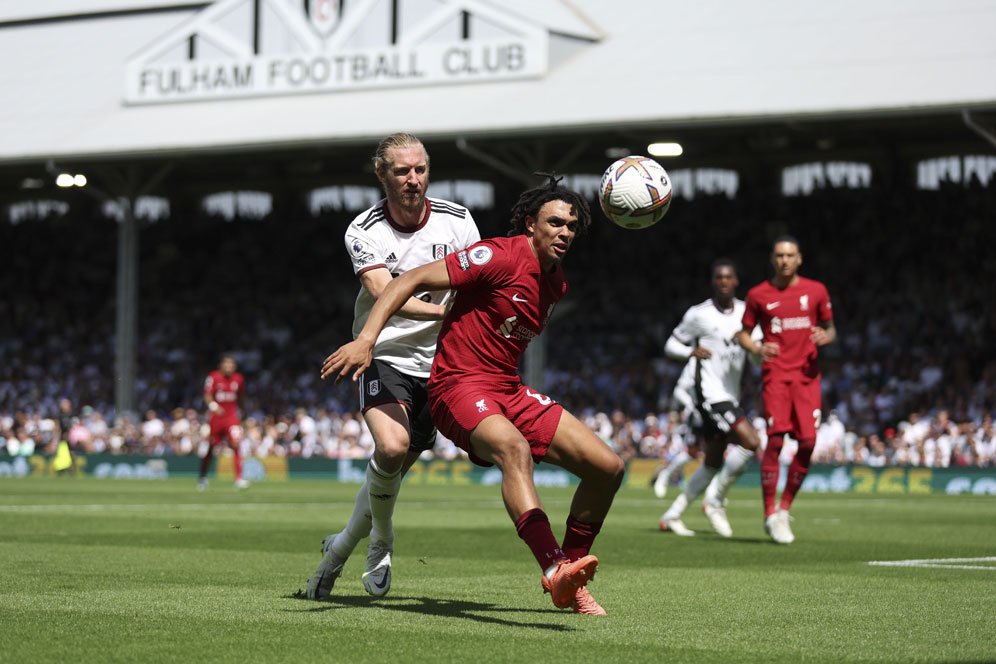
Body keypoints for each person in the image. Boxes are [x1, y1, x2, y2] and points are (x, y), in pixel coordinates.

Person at [321, 175, 624, 616]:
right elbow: (407, 281)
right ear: (529, 225)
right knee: (513, 449)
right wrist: (367, 338)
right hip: (457, 385)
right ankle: (555, 568)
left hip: (507, 388)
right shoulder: (498, 254)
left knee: (608, 468)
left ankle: (572, 574)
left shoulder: (556, 285)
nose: (564, 233)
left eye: (571, 227)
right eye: (554, 222)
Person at [306, 132, 481, 600]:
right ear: (381, 174)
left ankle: (340, 546)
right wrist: (446, 311)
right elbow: (388, 292)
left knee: (390, 473)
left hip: (443, 364)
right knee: (391, 444)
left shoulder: (459, 221)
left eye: (420, 169)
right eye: (402, 171)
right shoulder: (363, 229)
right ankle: (381, 543)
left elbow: (476, 285)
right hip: (385, 353)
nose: (413, 179)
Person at [736, 236, 835, 544]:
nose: (784, 261)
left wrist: (824, 336)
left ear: (799, 259)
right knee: (775, 441)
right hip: (776, 376)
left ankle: (784, 509)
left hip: (807, 378)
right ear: (773, 259)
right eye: (779, 255)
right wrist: (756, 346)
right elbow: (742, 333)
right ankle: (769, 512)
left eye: (790, 255)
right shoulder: (758, 294)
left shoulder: (816, 291)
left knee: (807, 442)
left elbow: (831, 329)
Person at [658, 260, 762, 537]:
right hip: (710, 396)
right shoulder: (698, 314)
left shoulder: (747, 313)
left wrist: (749, 345)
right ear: (713, 282)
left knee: (712, 462)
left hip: (731, 394)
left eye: (729, 277)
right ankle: (715, 500)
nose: (724, 282)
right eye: (719, 278)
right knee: (751, 442)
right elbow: (671, 344)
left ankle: (672, 515)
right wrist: (690, 353)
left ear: (736, 281)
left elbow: (757, 358)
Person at [198, 354, 248, 490]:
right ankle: (202, 476)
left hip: (232, 418)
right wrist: (214, 407)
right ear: (221, 365)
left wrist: (244, 412)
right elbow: (207, 395)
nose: (229, 367)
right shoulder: (213, 377)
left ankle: (239, 478)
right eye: (226, 364)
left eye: (231, 365)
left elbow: (242, 397)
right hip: (217, 418)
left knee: (236, 444)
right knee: (211, 447)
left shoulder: (238, 379)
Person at [651, 362, 700, 498]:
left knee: (716, 452)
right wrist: (691, 404)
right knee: (692, 453)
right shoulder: (693, 366)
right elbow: (679, 390)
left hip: (718, 409)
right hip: (698, 414)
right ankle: (665, 476)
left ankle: (716, 493)